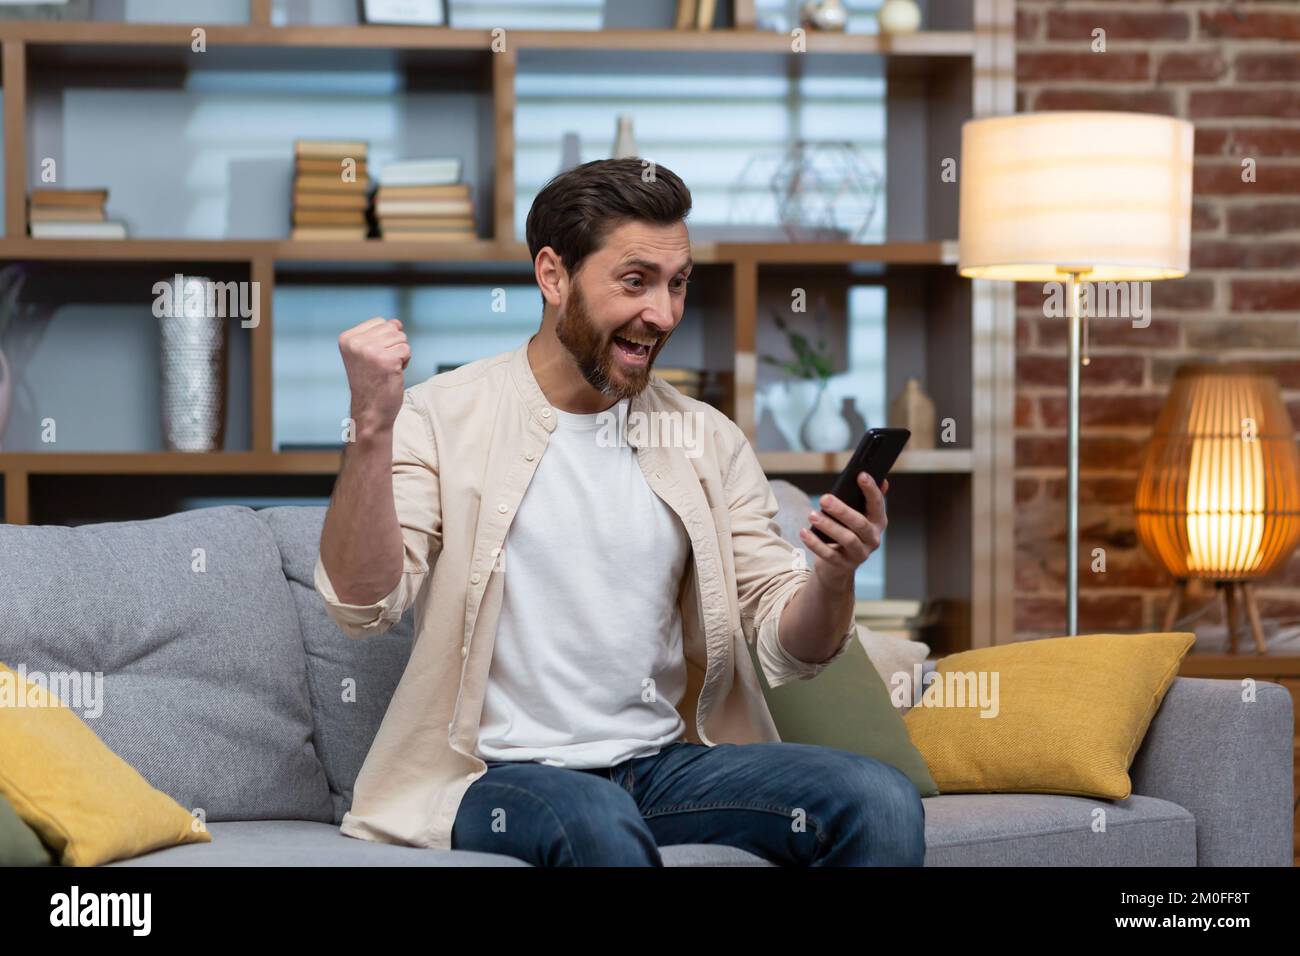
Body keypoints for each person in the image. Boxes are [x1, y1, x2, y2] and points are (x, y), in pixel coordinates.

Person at [315, 157, 925, 867]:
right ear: (553, 276)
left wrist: (834, 577)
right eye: (635, 282)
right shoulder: (440, 417)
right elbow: (362, 603)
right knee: (594, 821)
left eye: (678, 284)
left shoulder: (706, 439)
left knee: (876, 797)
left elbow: (793, 651)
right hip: (498, 777)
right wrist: (370, 428)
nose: (662, 314)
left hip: (661, 769)